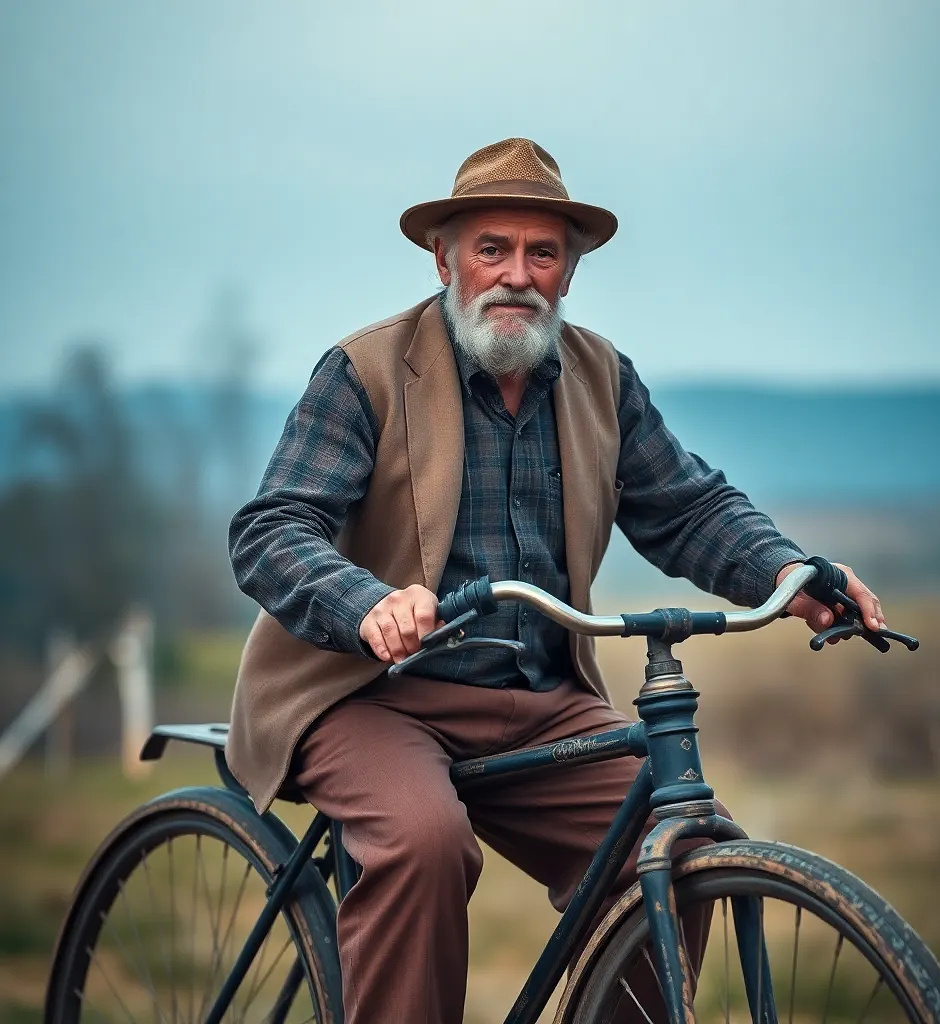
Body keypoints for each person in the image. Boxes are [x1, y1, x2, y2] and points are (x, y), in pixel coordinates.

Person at [226, 138, 887, 1024]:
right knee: (424, 844)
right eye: (491, 248)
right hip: (367, 692)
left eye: (543, 254)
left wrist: (789, 569)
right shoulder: (367, 371)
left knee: (681, 843)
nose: (517, 274)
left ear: (569, 272)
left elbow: (685, 507)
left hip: (537, 696)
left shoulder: (600, 376)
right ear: (445, 258)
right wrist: (369, 604)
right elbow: (272, 530)